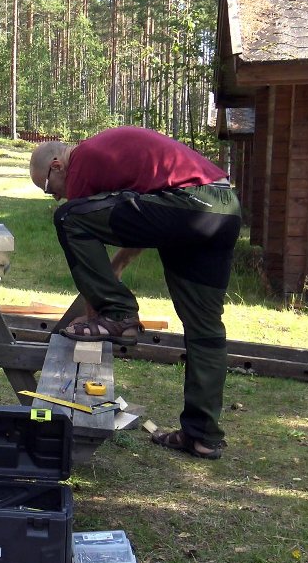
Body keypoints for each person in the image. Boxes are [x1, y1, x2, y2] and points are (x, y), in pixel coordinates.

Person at [29, 126, 242, 460]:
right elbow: (143, 214)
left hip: (187, 204)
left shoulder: (82, 161)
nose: (54, 195)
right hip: (222, 207)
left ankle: (118, 312)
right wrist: (118, 265)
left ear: (57, 166)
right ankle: (203, 436)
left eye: (46, 188)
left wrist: (101, 315)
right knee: (205, 329)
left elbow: (86, 232)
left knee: (69, 217)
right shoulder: (108, 156)